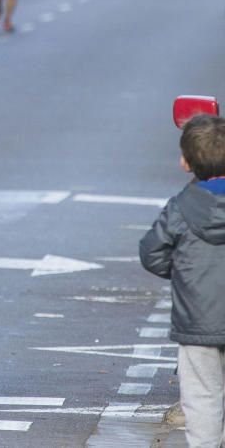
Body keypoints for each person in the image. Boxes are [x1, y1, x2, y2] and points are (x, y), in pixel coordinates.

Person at [140, 114, 225, 448]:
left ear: (187, 163)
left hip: (197, 322)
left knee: (202, 396)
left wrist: (184, 274)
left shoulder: (180, 208)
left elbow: (152, 253)